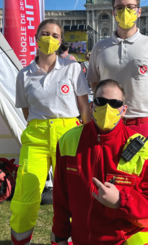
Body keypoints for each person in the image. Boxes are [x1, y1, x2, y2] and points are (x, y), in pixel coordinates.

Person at [52, 79, 148, 245]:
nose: (107, 108)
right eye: (100, 101)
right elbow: (60, 195)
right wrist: (60, 235)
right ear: (91, 106)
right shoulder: (68, 140)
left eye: (114, 103)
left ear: (123, 110)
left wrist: (121, 201)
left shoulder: (143, 150)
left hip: (124, 239)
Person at [10, 19, 92, 245]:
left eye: (55, 35)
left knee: (72, 196)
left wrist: (88, 136)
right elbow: (28, 111)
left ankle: (67, 240)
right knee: (26, 195)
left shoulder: (72, 68)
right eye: (45, 34)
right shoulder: (24, 75)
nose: (50, 38)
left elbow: (84, 107)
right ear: (36, 39)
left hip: (68, 135)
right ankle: (20, 241)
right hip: (36, 137)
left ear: (61, 41)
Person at [87, 0, 148, 152]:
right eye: (119, 8)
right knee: (108, 174)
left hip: (143, 124)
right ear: (113, 12)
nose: (125, 11)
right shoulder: (99, 48)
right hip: (108, 125)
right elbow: (95, 84)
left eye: (130, 7)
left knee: (143, 176)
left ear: (139, 11)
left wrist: (147, 106)